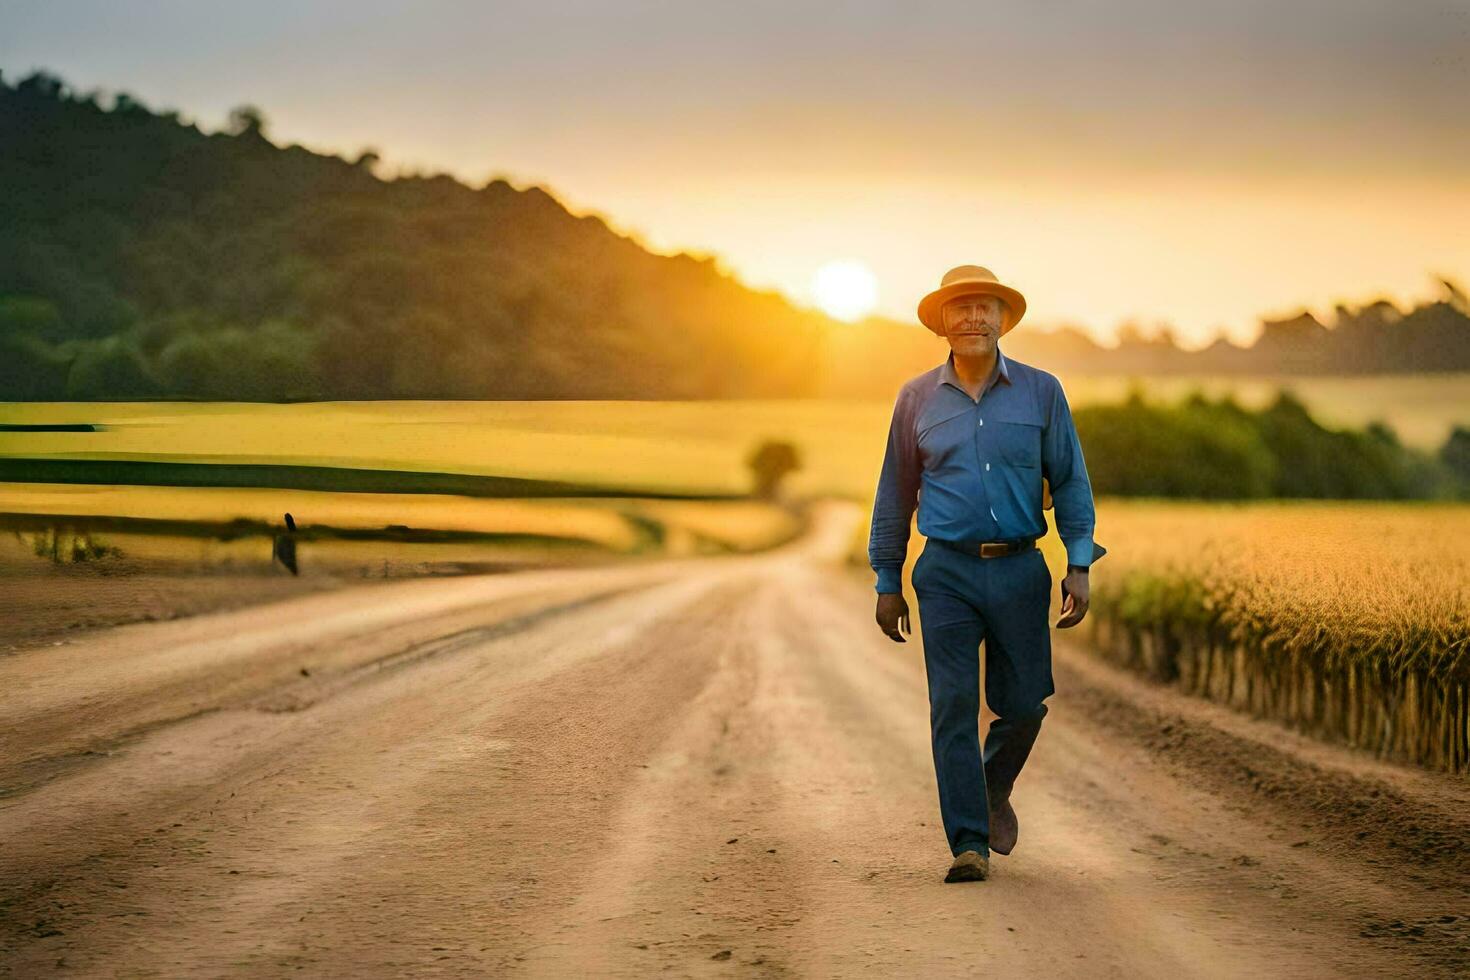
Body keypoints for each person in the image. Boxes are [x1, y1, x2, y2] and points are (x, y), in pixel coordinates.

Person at [868, 264, 1107, 883]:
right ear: (943, 323)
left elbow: (1072, 479)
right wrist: (887, 580)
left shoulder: (1042, 392)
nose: (974, 317)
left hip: (1020, 568)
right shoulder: (915, 398)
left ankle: (990, 788)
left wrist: (1078, 562)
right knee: (951, 705)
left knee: (1025, 703)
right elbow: (894, 496)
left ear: (1003, 319)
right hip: (944, 571)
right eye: (961, 308)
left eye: (986, 307)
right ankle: (968, 841)